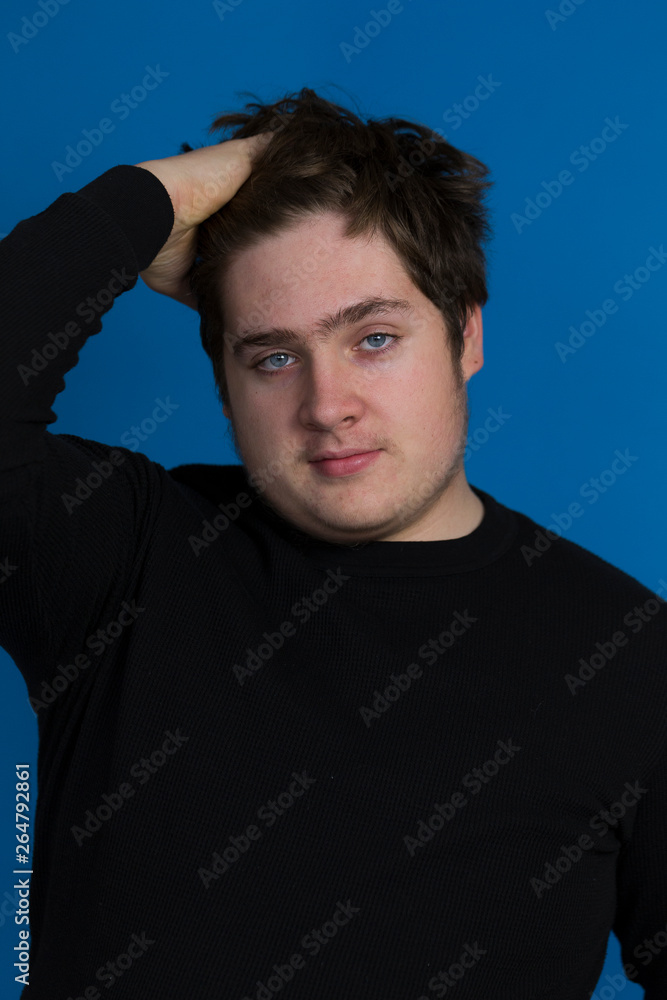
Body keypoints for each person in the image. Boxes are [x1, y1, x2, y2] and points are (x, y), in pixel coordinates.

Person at [0, 87, 665, 999]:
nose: (326, 405)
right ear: (224, 385)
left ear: (464, 335)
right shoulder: (122, 560)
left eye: (375, 338)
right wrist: (148, 199)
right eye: (273, 357)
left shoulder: (628, 656)